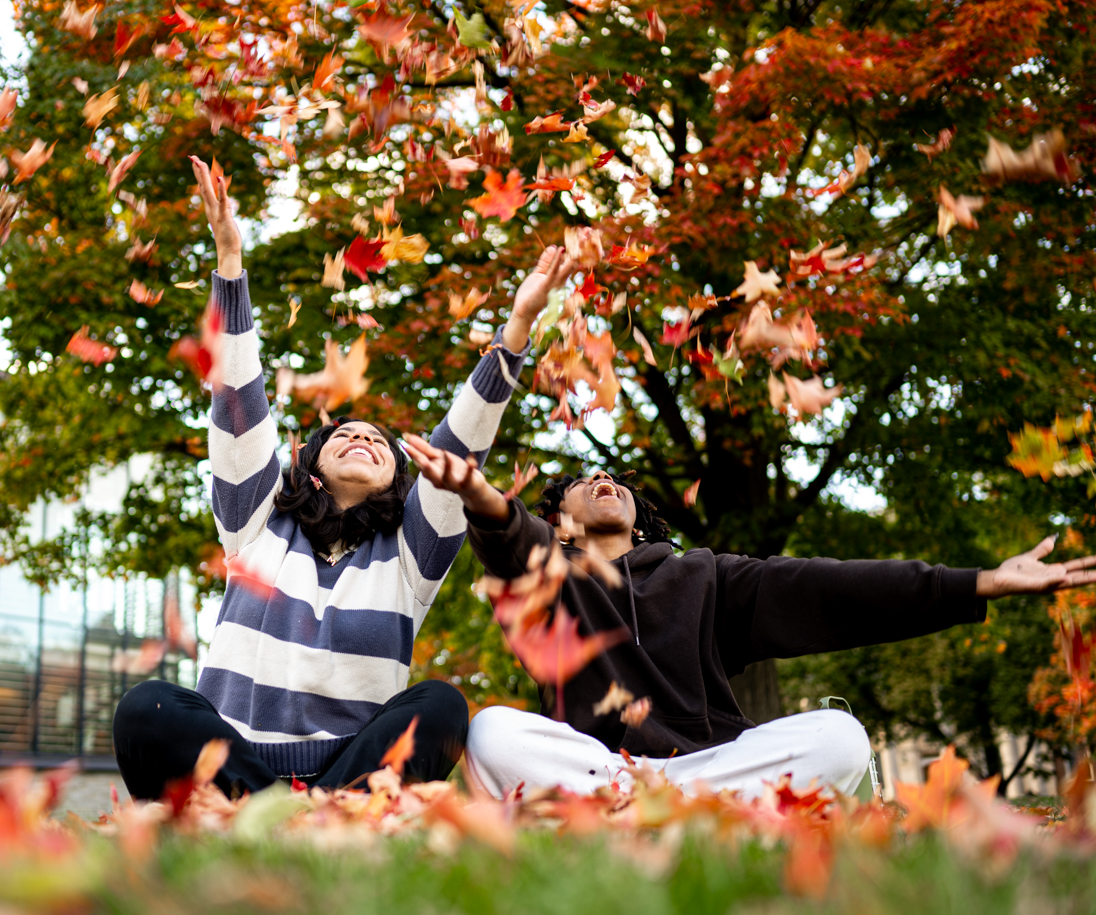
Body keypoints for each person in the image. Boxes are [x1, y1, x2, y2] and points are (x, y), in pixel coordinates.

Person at [112, 155, 573, 800]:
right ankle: (273, 811)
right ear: (310, 467)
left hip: (353, 769)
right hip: (236, 760)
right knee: (147, 707)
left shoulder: (413, 553)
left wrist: (517, 329)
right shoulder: (256, 520)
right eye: (342, 435)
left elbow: (460, 445)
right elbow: (239, 403)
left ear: (399, 480)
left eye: (379, 442)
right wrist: (229, 264)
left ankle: (329, 809)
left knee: (439, 704)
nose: (360, 437)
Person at [398, 450, 1096, 800]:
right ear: (558, 519)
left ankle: (690, 811)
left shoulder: (705, 572)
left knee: (841, 734)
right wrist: (482, 496)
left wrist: (978, 582)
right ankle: (662, 814)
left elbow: (832, 589)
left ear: (643, 517)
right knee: (493, 729)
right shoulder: (548, 571)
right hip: (600, 770)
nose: (604, 480)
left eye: (618, 481)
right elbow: (506, 532)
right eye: (585, 481)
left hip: (714, 765)